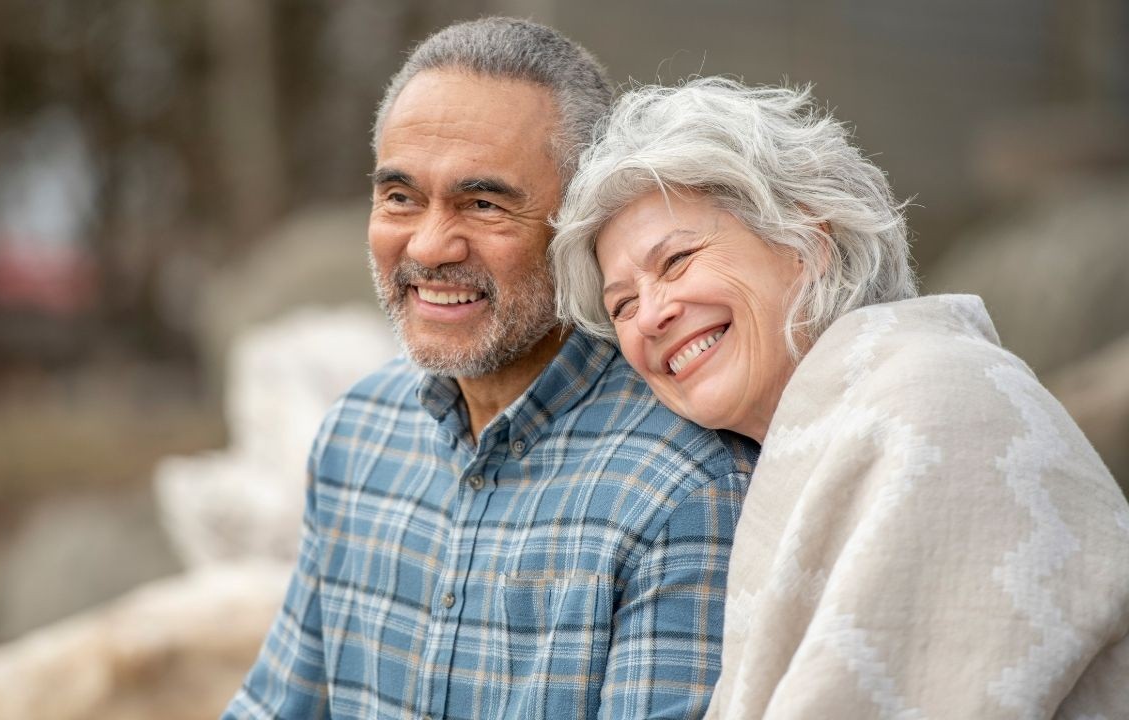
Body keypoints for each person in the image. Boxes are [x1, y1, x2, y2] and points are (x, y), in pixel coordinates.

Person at [223, 21, 760, 720]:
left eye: (483, 203)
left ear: (580, 226)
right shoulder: (357, 432)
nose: (430, 244)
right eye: (400, 197)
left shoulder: (684, 485)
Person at [552, 77, 1129, 719]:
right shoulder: (805, 436)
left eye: (678, 260)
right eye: (622, 304)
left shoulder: (936, 402)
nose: (651, 314)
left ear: (808, 244)